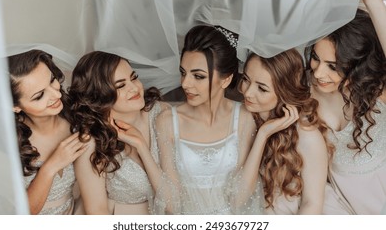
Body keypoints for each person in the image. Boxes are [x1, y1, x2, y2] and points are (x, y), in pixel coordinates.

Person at [150, 25, 264, 214]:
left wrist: (263, 136)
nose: (185, 84)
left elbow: (241, 198)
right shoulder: (167, 122)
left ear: (226, 80)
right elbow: (172, 205)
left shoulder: (244, 117)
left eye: (198, 76)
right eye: (183, 72)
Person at [305, 0, 386, 214]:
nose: (318, 72)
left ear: (356, 65)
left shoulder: (378, 95)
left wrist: (373, 0)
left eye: (333, 66)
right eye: (316, 58)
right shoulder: (304, 100)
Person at [68, 51, 170, 214]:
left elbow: (175, 199)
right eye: (121, 85)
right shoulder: (91, 142)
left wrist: (141, 146)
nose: (135, 88)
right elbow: (97, 212)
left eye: (134, 77)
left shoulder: (161, 114)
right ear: (99, 96)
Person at [238, 48, 331, 214]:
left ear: (284, 92)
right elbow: (239, 198)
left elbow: (312, 204)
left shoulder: (307, 136)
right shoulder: (243, 118)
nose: (248, 92)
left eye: (262, 88)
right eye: (246, 79)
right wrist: (263, 135)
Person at [7, 49, 87, 215]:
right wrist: (51, 166)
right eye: (39, 96)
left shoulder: (77, 118)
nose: (57, 94)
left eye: (52, 80)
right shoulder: (7, 145)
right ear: (14, 106)